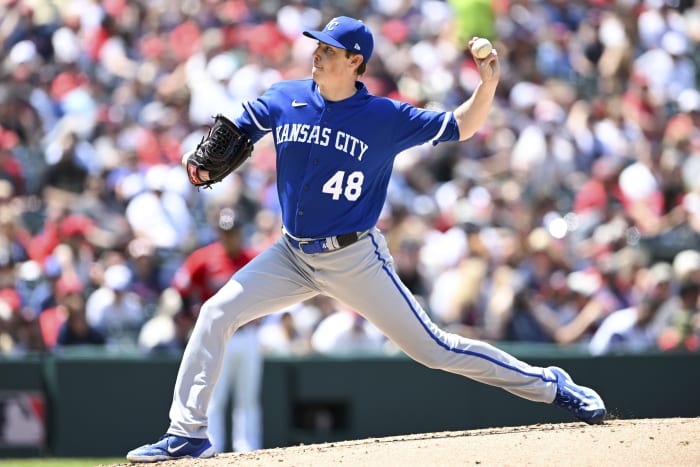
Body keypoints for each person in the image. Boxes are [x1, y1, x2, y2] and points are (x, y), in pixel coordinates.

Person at [126, 16, 606, 462]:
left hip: (355, 257)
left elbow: (462, 126)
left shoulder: (384, 116)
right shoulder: (285, 96)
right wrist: (205, 161)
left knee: (433, 349)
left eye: (330, 49)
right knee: (215, 312)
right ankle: (187, 434)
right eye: (317, 45)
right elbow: (239, 128)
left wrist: (488, 85)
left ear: (355, 60)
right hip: (292, 253)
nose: (317, 53)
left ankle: (551, 385)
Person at [169, 207, 261, 454]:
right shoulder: (204, 258)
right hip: (219, 336)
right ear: (218, 232)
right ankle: (214, 448)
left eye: (233, 231)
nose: (229, 236)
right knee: (215, 396)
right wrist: (188, 316)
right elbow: (180, 289)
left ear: (241, 232)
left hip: (247, 333)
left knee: (248, 397)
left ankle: (248, 450)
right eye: (225, 231)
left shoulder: (252, 256)